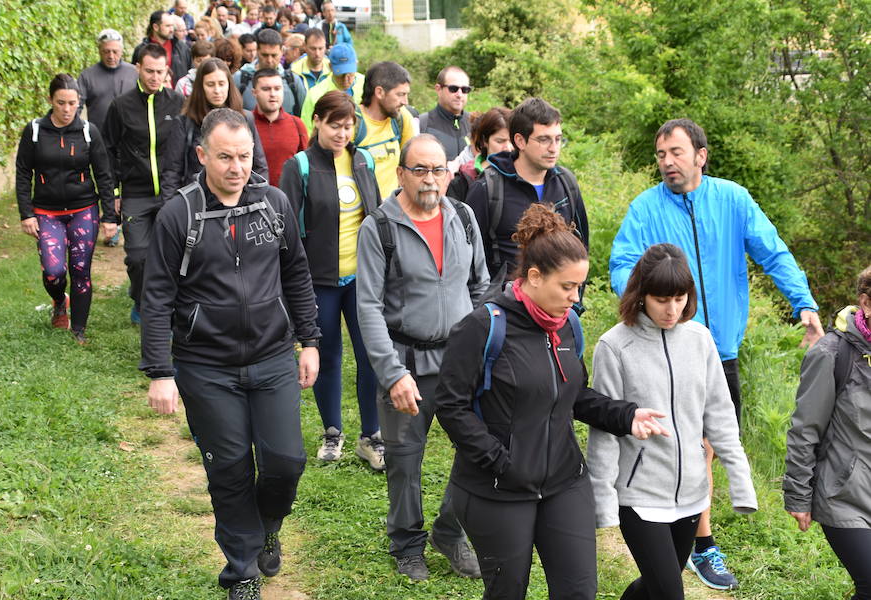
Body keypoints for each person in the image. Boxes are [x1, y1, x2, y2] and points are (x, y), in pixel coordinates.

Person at [609, 117, 823, 590]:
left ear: (700, 155)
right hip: (665, 346)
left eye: (676, 153)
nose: (667, 162)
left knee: (707, 444)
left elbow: (773, 252)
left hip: (719, 348)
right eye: (661, 155)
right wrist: (643, 303)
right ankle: (699, 541)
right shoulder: (645, 208)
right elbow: (622, 262)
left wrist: (803, 302)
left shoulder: (733, 199)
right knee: (679, 441)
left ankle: (692, 538)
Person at [433, 203, 670, 599]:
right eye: (567, 287)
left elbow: (574, 395)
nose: (575, 299)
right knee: (508, 591)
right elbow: (451, 405)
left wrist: (627, 415)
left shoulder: (568, 328)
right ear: (535, 277)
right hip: (497, 488)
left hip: (564, 482)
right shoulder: (483, 327)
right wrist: (498, 460)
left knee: (579, 592)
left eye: (579, 287)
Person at [140, 107, 320, 600]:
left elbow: (297, 275)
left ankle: (269, 524)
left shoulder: (274, 204)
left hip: (273, 357)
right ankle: (241, 569)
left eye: (243, 156)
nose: (236, 167)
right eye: (224, 157)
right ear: (202, 156)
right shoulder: (179, 214)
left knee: (286, 460)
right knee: (231, 466)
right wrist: (160, 371)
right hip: (206, 366)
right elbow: (156, 297)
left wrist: (310, 341)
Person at [588, 243, 757, 600]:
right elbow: (604, 428)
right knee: (669, 593)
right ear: (641, 294)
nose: (672, 309)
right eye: (662, 299)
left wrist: (741, 483)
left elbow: (721, 415)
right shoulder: (614, 346)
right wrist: (602, 499)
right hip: (639, 496)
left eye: (680, 298)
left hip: (693, 494)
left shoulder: (700, 339)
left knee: (654, 586)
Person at [356, 134, 489, 581]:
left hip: (458, 363)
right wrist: (393, 373)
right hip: (405, 361)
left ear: (449, 174)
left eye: (438, 170)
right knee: (405, 461)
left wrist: (479, 352)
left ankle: (450, 532)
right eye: (420, 170)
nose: (430, 179)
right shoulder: (380, 227)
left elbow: (479, 287)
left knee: (476, 451)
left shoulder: (464, 218)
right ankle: (407, 544)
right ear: (401, 174)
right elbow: (368, 306)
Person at [279, 91, 382, 468]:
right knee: (327, 356)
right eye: (334, 125)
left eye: (348, 125)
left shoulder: (364, 160)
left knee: (371, 354)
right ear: (317, 122)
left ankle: (371, 436)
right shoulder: (300, 166)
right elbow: (287, 230)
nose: (342, 133)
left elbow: (377, 217)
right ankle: (332, 433)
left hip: (362, 279)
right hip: (317, 281)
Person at [784, 265, 871, 600]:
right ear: (865, 302)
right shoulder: (831, 354)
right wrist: (798, 496)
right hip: (843, 496)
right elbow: (805, 430)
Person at [15, 74, 118, 344]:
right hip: (47, 212)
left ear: (79, 103)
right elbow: (23, 172)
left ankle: (79, 330)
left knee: (80, 270)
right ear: (50, 101)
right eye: (61, 103)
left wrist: (110, 216)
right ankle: (60, 300)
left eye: (73, 103)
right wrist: (26, 213)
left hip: (83, 209)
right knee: (54, 271)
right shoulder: (35, 130)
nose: (67, 109)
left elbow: (104, 175)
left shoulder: (88, 131)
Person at [465, 97, 588, 286]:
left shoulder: (566, 183)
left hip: (558, 306)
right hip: (506, 306)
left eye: (558, 139)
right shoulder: (487, 188)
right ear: (520, 141)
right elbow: (469, 260)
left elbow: (580, 248)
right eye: (544, 139)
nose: (553, 148)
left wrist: (575, 302)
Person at [103, 43, 184, 325]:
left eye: (160, 72)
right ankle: (139, 297)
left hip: (172, 193)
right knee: (139, 257)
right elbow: (108, 151)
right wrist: (114, 192)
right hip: (136, 193)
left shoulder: (177, 103)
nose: (154, 77)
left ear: (167, 72)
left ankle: (166, 307)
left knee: (172, 256)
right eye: (149, 71)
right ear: (138, 68)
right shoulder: (120, 106)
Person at [162, 58, 268, 202]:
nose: (217, 90)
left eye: (221, 84)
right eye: (210, 84)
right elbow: (172, 173)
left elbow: (259, 165)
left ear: (229, 85)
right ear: (201, 87)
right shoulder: (185, 122)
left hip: (240, 201)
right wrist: (172, 211)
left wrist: (256, 199)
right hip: (197, 203)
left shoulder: (245, 118)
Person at [78, 28, 138, 248]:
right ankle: (112, 222)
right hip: (101, 141)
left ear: (122, 50)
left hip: (131, 141)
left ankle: (129, 222)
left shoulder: (133, 73)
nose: (111, 56)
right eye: (106, 52)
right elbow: (77, 105)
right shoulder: (87, 76)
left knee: (129, 183)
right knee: (108, 183)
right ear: (99, 51)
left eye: (115, 51)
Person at [354, 61, 415, 198]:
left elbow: (410, 163)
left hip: (392, 211)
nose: (405, 102)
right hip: (361, 212)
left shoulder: (402, 118)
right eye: (400, 94)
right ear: (379, 92)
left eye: (406, 94)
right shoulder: (353, 123)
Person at [251, 69, 307, 187]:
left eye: (277, 88)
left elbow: (306, 168)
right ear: (254, 92)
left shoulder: (297, 125)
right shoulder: (245, 124)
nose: (272, 94)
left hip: (289, 199)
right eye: (266, 89)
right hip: (255, 198)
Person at [446, 107, 512, 204]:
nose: (508, 148)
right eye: (500, 141)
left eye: (512, 141)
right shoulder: (463, 180)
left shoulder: (524, 175)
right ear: (484, 141)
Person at [236, 29, 306, 116]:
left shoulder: (293, 81)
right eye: (264, 55)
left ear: (282, 52)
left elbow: (303, 114)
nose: (269, 60)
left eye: (274, 55)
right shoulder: (240, 79)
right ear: (257, 51)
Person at [300, 43, 363, 131]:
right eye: (340, 75)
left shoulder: (366, 84)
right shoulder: (316, 94)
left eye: (350, 74)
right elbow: (307, 130)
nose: (345, 80)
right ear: (330, 67)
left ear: (356, 64)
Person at [419, 66, 471, 163]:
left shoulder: (477, 124)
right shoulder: (422, 125)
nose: (459, 95)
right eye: (453, 89)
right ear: (438, 89)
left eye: (465, 90)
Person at [132, 10, 192, 87]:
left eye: (172, 26)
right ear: (156, 27)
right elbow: (134, 77)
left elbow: (190, 73)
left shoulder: (182, 48)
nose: (171, 30)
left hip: (177, 96)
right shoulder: (141, 50)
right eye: (167, 26)